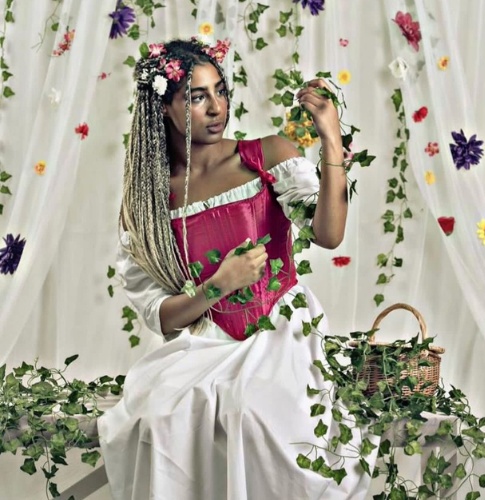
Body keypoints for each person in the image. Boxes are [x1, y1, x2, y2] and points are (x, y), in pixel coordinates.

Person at [98, 37, 374, 499]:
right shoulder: (147, 205)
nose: (216, 107)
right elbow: (161, 315)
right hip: (206, 339)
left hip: (280, 329)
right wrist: (217, 286)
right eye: (197, 96)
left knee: (252, 413)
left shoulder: (266, 156)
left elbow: (329, 235)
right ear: (163, 107)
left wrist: (331, 138)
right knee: (157, 418)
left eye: (220, 91)